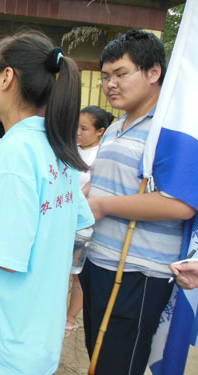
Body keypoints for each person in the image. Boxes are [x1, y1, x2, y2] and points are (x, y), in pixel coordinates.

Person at [0, 31, 94, 374]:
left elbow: (5, 258)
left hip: (1, 346)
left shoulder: (14, 152)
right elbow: (82, 226)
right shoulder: (59, 147)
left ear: (6, 77)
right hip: (38, 339)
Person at [79, 30, 196, 375]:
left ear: (154, 72)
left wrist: (103, 206)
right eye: (105, 76)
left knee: (117, 366)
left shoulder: (170, 131)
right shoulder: (115, 127)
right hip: (99, 261)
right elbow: (105, 186)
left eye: (120, 73)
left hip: (138, 272)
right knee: (98, 358)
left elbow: (182, 204)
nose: (110, 84)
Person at [65, 106, 114, 336]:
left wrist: (71, 203)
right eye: (76, 126)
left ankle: (70, 316)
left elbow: (90, 188)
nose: (77, 132)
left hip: (82, 222)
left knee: (77, 272)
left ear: (100, 131)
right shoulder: (72, 150)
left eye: (84, 128)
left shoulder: (102, 156)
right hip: (63, 216)